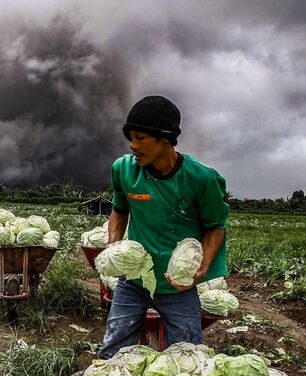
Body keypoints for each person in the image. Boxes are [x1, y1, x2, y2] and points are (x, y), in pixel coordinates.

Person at [98, 95, 229, 359]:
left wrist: (200, 270)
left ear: (165, 138)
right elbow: (119, 212)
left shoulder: (201, 179)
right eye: (130, 138)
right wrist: (114, 249)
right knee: (112, 350)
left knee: (187, 356)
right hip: (133, 280)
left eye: (140, 138)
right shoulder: (123, 170)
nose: (133, 146)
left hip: (176, 287)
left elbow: (215, 227)